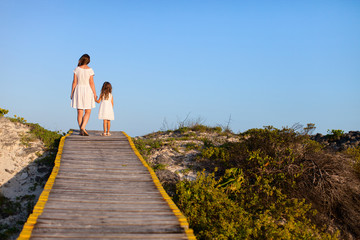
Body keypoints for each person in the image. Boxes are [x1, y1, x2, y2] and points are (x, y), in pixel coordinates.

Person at [70, 54, 97, 136]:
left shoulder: (77, 69)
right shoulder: (90, 70)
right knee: (88, 111)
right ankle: (83, 127)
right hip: (87, 90)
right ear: (88, 61)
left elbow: (74, 82)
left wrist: (72, 93)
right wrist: (95, 93)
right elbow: (91, 83)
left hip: (78, 89)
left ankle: (81, 128)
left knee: (79, 112)